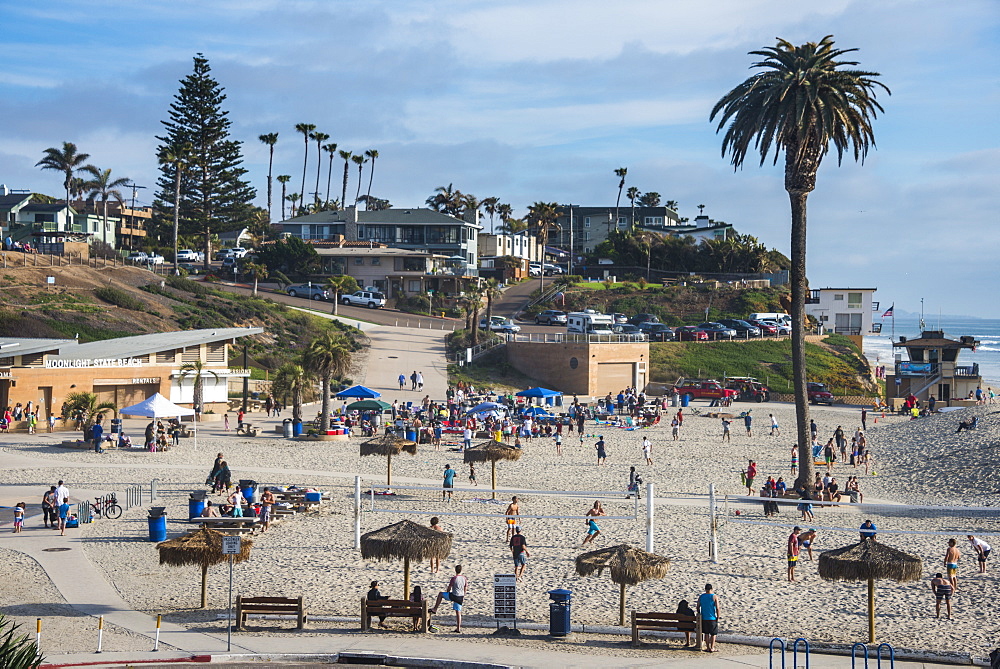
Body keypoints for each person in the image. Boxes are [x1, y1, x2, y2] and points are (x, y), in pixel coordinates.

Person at [429, 565, 468, 633]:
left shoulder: (454, 578)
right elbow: (465, 587)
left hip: (454, 595)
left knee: (440, 594)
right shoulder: (464, 578)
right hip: (460, 596)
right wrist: (463, 594)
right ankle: (458, 628)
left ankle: (435, 608)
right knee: (458, 612)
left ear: (455, 570)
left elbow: (449, 587)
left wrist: (447, 592)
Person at [697, 583, 720, 652]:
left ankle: (707, 647)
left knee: (706, 633)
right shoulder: (714, 596)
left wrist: (699, 613)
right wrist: (718, 616)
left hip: (704, 618)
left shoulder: (701, 596)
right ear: (711, 589)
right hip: (712, 618)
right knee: (713, 634)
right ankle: (712, 647)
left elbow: (698, 607)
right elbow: (717, 608)